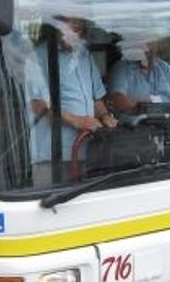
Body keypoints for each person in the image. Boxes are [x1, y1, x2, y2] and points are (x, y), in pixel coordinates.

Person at [24, 14, 117, 186]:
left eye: (78, 27)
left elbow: (96, 98)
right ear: (55, 26)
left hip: (84, 149)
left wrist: (105, 116)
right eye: (69, 25)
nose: (74, 30)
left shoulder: (85, 56)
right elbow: (38, 105)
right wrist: (77, 121)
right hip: (51, 155)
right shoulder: (37, 57)